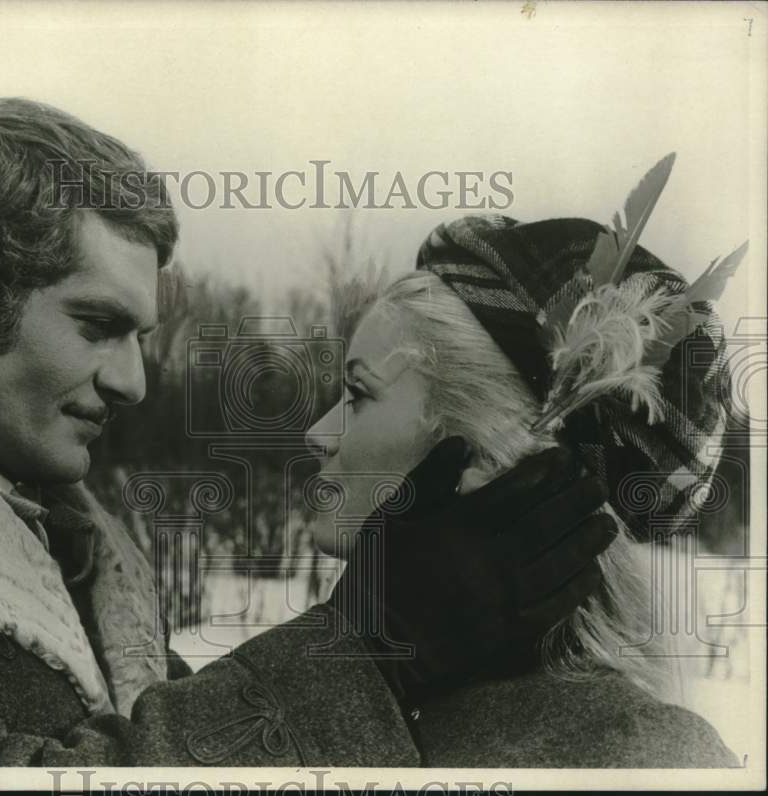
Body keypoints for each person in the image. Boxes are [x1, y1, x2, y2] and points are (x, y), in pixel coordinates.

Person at [0, 98, 613, 767]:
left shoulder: (82, 546)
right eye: (96, 325)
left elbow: (164, 737)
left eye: (141, 338)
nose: (133, 382)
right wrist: (368, 646)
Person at [305, 213, 741, 767]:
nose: (317, 434)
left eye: (358, 393)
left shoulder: (642, 757)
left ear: (488, 451)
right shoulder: (397, 685)